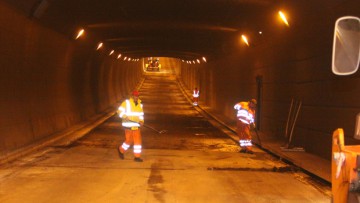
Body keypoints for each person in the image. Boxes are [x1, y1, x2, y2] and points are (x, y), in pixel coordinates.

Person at [117, 90, 144, 162]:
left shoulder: (140, 104)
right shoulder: (126, 103)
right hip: (128, 125)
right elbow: (119, 111)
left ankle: (137, 157)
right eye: (135, 96)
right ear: (132, 96)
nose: (136, 97)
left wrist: (141, 121)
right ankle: (121, 150)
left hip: (136, 126)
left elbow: (141, 115)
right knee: (129, 140)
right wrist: (124, 116)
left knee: (138, 141)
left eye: (137, 96)